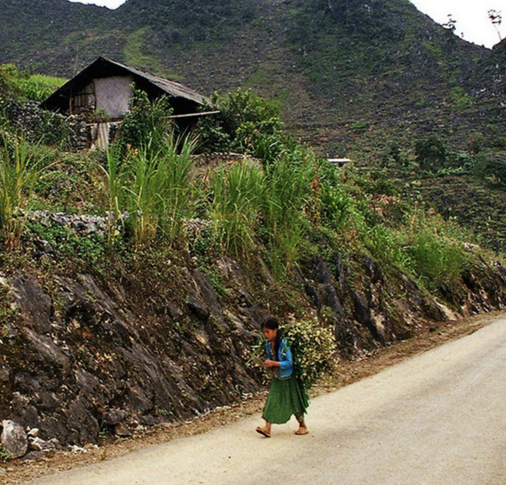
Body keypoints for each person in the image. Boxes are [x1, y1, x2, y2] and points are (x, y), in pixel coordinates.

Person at [256, 316, 309, 438]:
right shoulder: (269, 345)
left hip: (288, 379)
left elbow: (290, 362)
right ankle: (267, 428)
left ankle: (303, 426)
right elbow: (271, 358)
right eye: (264, 332)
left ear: (275, 331)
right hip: (278, 378)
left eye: (267, 332)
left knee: (295, 403)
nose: (265, 335)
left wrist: (274, 363)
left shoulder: (284, 344)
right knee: (271, 401)